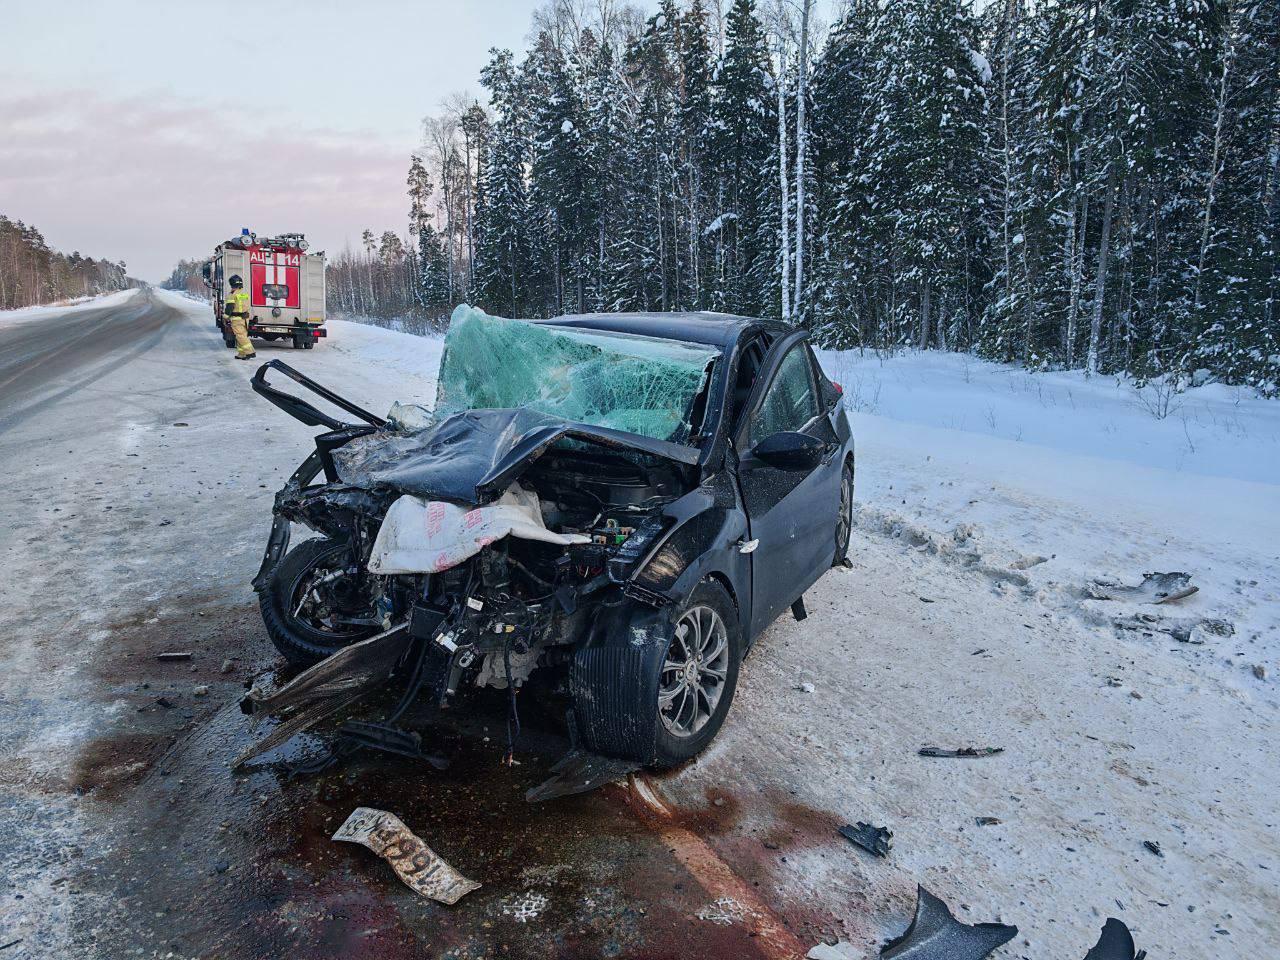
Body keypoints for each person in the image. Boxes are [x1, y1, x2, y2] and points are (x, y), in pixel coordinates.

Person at [224, 275, 256, 360]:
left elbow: (229, 307)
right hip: (245, 318)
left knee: (240, 336)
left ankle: (250, 352)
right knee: (242, 335)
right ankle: (242, 354)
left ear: (232, 284)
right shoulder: (244, 293)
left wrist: (225, 317)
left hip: (236, 318)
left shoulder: (233, 295)